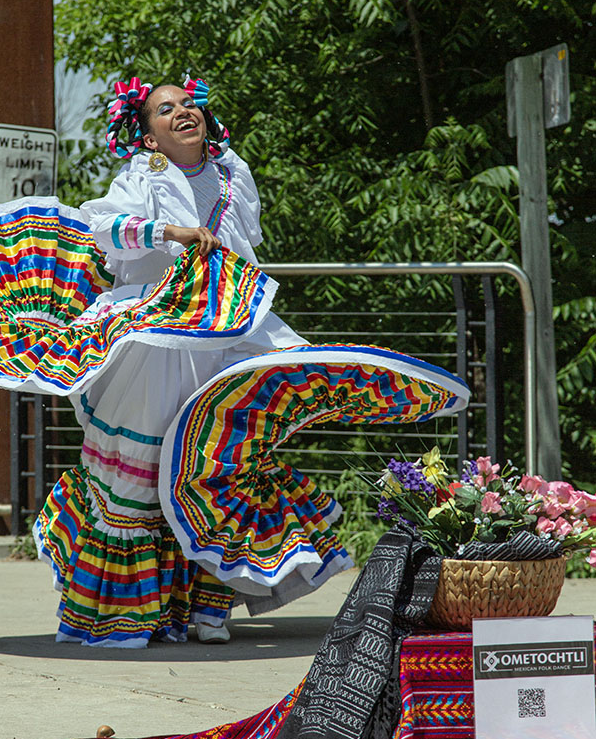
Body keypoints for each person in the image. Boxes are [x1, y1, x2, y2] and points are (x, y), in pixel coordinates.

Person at [32, 77, 468, 648]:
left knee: (223, 465)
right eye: (166, 110)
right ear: (149, 136)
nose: (183, 113)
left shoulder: (233, 172)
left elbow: (244, 251)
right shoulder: (143, 176)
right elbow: (104, 229)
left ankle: (206, 609)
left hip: (229, 331)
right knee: (142, 475)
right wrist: (171, 231)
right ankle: (127, 615)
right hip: (159, 343)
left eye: (188, 103)